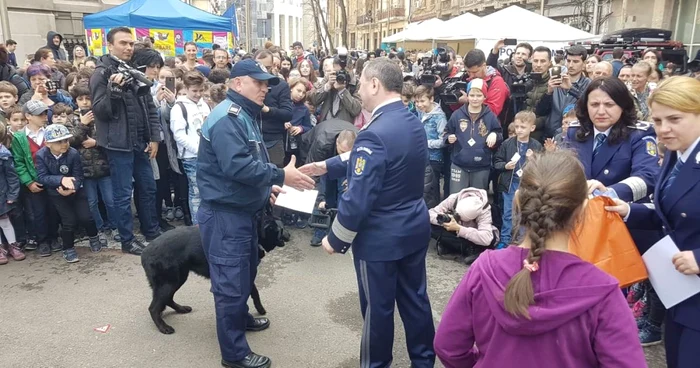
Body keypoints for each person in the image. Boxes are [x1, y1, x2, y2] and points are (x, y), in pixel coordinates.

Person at [434, 150, 646, 368]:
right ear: (583, 210)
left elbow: (448, 346)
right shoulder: (602, 290)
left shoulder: (484, 269)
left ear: (517, 201)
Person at [299, 58, 436, 368]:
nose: (359, 89)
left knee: (378, 310)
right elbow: (383, 158)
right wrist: (328, 165)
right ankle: (424, 361)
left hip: (380, 240)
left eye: (361, 83)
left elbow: (359, 197)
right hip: (413, 227)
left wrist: (335, 238)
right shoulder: (410, 119)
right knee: (416, 301)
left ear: (375, 84)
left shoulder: (375, 130)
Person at [197, 58, 315, 368]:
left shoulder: (243, 115)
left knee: (244, 274)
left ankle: (241, 318)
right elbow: (237, 167)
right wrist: (280, 176)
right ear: (237, 84)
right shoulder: (228, 117)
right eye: (258, 83)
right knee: (230, 286)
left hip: (241, 212)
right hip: (226, 217)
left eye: (266, 83)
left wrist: (267, 189)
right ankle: (234, 355)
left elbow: (245, 166)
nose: (265, 88)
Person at [606, 76, 700, 368]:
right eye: (658, 121)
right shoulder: (677, 152)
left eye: (674, 119)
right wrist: (629, 211)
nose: (663, 129)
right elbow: (669, 212)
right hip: (679, 289)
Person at [89, 27, 162, 255]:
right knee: (122, 195)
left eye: (131, 43)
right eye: (123, 43)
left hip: (140, 142)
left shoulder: (132, 70)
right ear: (110, 45)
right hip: (117, 145)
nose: (128, 47)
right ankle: (127, 241)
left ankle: (152, 232)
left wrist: (154, 137)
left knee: (148, 188)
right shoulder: (100, 73)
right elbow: (100, 112)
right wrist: (114, 90)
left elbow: (149, 107)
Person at [568, 77, 659, 203]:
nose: (601, 112)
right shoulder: (574, 131)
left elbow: (648, 176)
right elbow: (563, 171)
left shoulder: (639, 134)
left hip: (619, 211)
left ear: (623, 106)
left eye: (609, 105)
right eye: (594, 105)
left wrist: (609, 194)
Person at [35, 124, 103, 262]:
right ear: (48, 143)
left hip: (76, 192)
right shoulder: (41, 155)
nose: (64, 144)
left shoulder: (73, 153)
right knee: (68, 221)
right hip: (56, 194)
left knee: (86, 217)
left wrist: (72, 188)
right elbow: (41, 177)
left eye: (65, 140)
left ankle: (94, 237)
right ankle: (68, 248)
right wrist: (61, 180)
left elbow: (79, 175)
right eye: (58, 141)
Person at [66, 84, 116, 243]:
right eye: (80, 99)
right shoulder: (71, 119)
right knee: (92, 202)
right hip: (84, 170)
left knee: (110, 200)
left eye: (88, 98)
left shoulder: (101, 115)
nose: (85, 102)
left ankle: (115, 227)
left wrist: (97, 143)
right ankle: (100, 228)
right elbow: (70, 141)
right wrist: (83, 124)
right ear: (75, 101)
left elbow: (112, 138)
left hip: (104, 167)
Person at [12, 100, 60, 256]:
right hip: (35, 182)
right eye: (40, 114)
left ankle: (54, 237)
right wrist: (29, 182)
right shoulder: (19, 137)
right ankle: (43, 241)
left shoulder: (49, 132)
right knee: (38, 213)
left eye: (45, 113)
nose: (44, 116)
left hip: (51, 180)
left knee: (53, 211)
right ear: (28, 116)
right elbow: (19, 163)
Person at [494, 111, 543, 247]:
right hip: (510, 184)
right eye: (517, 127)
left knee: (525, 213)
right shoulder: (507, 143)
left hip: (527, 186)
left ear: (532, 128)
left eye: (523, 127)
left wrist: (533, 160)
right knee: (508, 214)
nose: (519, 130)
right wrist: (505, 166)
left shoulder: (536, 146)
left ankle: (522, 241)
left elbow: (542, 168)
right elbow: (496, 162)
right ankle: (504, 240)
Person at [445, 78, 502, 193]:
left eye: (479, 95)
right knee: (456, 199)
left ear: (484, 97)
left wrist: (495, 135)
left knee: (478, 201)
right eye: (472, 95)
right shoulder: (457, 115)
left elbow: (500, 134)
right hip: (459, 165)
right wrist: (448, 138)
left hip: (481, 166)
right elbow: (446, 132)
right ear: (467, 96)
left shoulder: (490, 116)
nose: (475, 99)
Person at [170, 71, 210, 225]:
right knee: (196, 192)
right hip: (191, 156)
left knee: (205, 192)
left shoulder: (204, 105)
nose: (198, 94)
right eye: (194, 91)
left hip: (206, 155)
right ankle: (197, 226)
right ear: (186, 89)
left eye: (200, 90)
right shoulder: (178, 108)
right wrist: (197, 149)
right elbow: (179, 135)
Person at [429, 187, 498, 264]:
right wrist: (443, 221)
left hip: (471, 235)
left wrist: (460, 229)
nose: (459, 220)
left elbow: (487, 238)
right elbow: (430, 214)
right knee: (430, 228)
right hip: (455, 232)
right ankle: (464, 249)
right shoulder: (454, 199)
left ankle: (458, 247)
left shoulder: (484, 211)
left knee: (492, 239)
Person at [257, 50, 292, 168]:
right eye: (260, 67)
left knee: (275, 178)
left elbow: (287, 113)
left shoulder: (280, 85)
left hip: (273, 140)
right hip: (252, 138)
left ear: (272, 66)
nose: (263, 71)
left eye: (266, 67)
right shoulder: (249, 83)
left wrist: (268, 110)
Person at [0, 119, 23, 264]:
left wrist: (12, 195)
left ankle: (13, 245)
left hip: (2, 195)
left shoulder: (4, 154)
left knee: (5, 221)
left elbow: (12, 177)